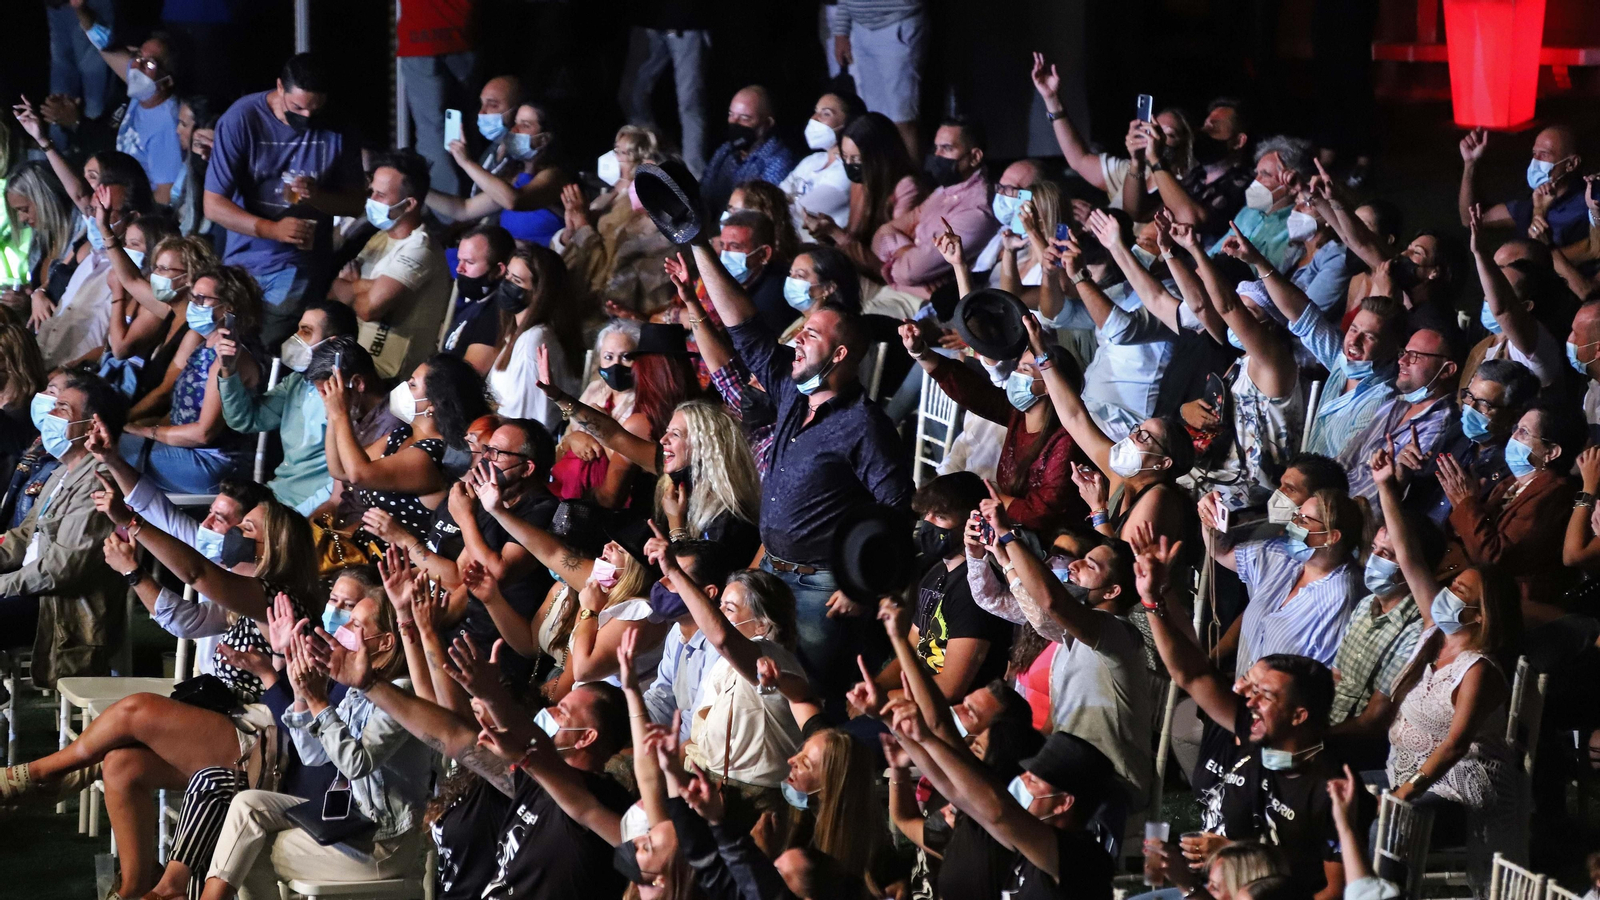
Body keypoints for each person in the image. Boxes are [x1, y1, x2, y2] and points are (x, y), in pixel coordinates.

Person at [690, 235, 911, 712]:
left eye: (812, 335)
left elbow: (896, 510)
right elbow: (744, 326)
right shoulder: (793, 393)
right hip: (772, 568)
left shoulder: (866, 427)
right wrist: (697, 245)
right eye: (800, 331)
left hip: (822, 588)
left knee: (806, 690)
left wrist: (860, 586)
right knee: (752, 682)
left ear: (840, 356)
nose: (797, 339)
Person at [1137, 531, 1345, 900]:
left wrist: (1234, 858)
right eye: (1248, 686)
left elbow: (1335, 891)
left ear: (1299, 715)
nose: (1245, 699)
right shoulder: (1254, 731)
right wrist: (1153, 603)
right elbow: (1194, 674)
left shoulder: (1329, 787)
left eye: (1262, 694)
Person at [1357, 445, 1527, 894]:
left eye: (1459, 590)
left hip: (1458, 785)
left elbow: (1454, 747)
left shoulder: (1479, 670)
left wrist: (1407, 791)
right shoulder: (1438, 628)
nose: (1447, 591)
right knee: (1338, 793)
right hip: (1405, 769)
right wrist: (1386, 490)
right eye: (1451, 583)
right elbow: (1410, 558)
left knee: (1386, 829)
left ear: (1480, 614)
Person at [195, 596, 433, 900]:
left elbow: (356, 764)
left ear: (385, 642)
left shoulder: (402, 693)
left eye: (356, 624)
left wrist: (319, 701)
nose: (343, 628)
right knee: (247, 806)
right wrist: (301, 695)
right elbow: (315, 755)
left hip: (384, 843)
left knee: (246, 850)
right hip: (349, 821)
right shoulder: (359, 689)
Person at [965, 508, 1153, 822]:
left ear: (1111, 591)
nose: (1074, 565)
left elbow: (1051, 602)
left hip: (1110, 782)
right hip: (1066, 768)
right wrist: (1000, 552)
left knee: (998, 805)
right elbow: (1039, 613)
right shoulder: (1073, 634)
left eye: (1089, 565)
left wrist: (1010, 537)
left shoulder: (1117, 633)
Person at [203, 53, 365, 347]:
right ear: (280, 87)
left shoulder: (339, 127)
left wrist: (319, 196)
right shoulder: (242, 118)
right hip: (242, 258)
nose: (306, 117)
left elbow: (355, 204)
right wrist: (271, 229)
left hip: (300, 262)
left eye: (315, 110)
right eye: (297, 107)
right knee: (220, 341)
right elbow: (213, 204)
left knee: (266, 343)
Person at [887, 698, 1117, 900]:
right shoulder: (1026, 848)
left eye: (1033, 781)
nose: (1022, 781)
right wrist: (895, 725)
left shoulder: (1080, 858)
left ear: (1064, 803)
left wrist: (927, 738)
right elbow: (954, 789)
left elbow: (998, 812)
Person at [900, 314, 1085, 534]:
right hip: (1009, 524)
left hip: (1049, 540)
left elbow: (1043, 513)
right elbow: (969, 390)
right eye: (1018, 367)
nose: (1015, 374)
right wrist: (920, 351)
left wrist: (989, 497)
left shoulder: (1064, 441)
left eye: (1025, 370)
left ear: (1050, 385)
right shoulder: (1017, 415)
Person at [1233, 225, 1405, 460]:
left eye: (1370, 337)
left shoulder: (1383, 399)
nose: (1354, 340)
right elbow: (1303, 315)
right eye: (1353, 329)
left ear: (1394, 349)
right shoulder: (1341, 360)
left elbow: (1344, 465)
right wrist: (1258, 261)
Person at [1031, 56, 1253, 238]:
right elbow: (1080, 161)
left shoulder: (1224, 181)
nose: (1155, 138)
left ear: (1187, 141)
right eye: (1153, 129)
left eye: (1168, 134)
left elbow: (1189, 218)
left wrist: (1155, 159)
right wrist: (1052, 101)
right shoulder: (1179, 176)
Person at [0, 369, 127, 688]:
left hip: (55, 607)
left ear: (91, 427)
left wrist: (2, 584)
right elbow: (23, 537)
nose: (51, 413)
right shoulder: (61, 471)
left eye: (63, 408)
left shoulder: (99, 481)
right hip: (30, 589)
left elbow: (60, 569)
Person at [1025, 314, 1193, 549]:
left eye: (1144, 437)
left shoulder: (1158, 497)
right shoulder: (1121, 479)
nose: (1132, 436)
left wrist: (1098, 509)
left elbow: (1120, 567)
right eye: (1137, 429)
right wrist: (1042, 355)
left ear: (1163, 463)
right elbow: (1075, 418)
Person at [553, 396, 763, 565]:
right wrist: (558, 396)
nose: (663, 440)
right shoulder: (676, 473)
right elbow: (615, 436)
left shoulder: (729, 515)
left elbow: (692, 581)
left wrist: (676, 526)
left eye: (676, 435)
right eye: (666, 432)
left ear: (703, 446)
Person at [116, 264, 262, 493]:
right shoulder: (204, 346)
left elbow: (203, 433)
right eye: (193, 297)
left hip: (214, 462)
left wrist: (147, 432)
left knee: (111, 450)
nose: (194, 305)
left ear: (228, 308)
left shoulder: (230, 358)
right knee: (107, 439)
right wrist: (128, 426)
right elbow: (178, 413)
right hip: (184, 450)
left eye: (202, 299)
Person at [219, 316, 377, 516]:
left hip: (302, 505)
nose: (296, 338)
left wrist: (293, 524)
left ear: (331, 342)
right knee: (224, 508)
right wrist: (229, 370)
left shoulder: (349, 398)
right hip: (274, 491)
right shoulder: (297, 382)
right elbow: (244, 419)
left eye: (306, 331)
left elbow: (337, 483)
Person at [1201, 479, 1363, 674]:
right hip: (1246, 693)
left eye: (1303, 520)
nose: (1293, 523)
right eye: (1296, 515)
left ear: (1331, 537)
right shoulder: (1283, 557)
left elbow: (1321, 679)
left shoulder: (1340, 599)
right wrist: (1210, 519)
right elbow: (1221, 552)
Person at [877, 473, 1014, 700]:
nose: (928, 523)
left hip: (951, 715)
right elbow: (911, 653)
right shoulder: (934, 573)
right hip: (916, 697)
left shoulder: (979, 590)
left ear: (971, 523)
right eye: (926, 514)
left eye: (940, 516)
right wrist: (877, 687)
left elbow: (950, 688)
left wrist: (885, 698)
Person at [1444, 401, 1580, 624]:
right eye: (1516, 427)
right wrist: (1469, 504)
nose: (1513, 436)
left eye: (1524, 432)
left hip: (1507, 608)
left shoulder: (1556, 495)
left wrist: (1465, 504)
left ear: (1551, 452)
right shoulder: (1511, 483)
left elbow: (1495, 557)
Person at [337, 354, 489, 547]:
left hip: (398, 564)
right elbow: (341, 469)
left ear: (433, 403)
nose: (403, 389)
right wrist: (332, 411)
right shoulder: (401, 435)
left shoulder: (433, 454)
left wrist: (340, 413)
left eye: (412, 385)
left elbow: (358, 473)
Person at [332, 149, 452, 381]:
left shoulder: (420, 248)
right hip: (357, 364)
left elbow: (368, 309)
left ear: (409, 205)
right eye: (372, 192)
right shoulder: (378, 237)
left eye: (381, 195)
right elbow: (334, 294)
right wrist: (367, 286)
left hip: (390, 377)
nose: (371, 201)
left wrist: (354, 284)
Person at [869, 116, 997, 319]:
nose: (936, 155)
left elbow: (908, 273)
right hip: (901, 288)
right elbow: (881, 235)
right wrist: (908, 251)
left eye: (946, 149)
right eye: (935, 148)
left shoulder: (977, 211)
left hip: (926, 307)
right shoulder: (943, 191)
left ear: (974, 157)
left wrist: (905, 259)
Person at [1402, 359, 1539, 527]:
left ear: (1515, 417)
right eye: (1469, 396)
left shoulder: (1516, 467)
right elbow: (1409, 506)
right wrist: (1399, 478)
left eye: (1483, 404)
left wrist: (1467, 504)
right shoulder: (1457, 432)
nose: (1470, 408)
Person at [1336, 324, 1463, 505]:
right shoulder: (1393, 405)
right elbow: (1346, 459)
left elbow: (1378, 504)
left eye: (1415, 356)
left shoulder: (1440, 427)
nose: (1402, 360)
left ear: (1447, 370)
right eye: (1404, 352)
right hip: (1330, 496)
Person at [558, 125, 673, 315]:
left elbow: (605, 272)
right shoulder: (608, 196)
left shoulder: (640, 209)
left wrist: (583, 226)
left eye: (623, 153)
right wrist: (571, 230)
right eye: (615, 149)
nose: (615, 157)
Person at [803, 111, 924, 283]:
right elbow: (854, 237)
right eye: (844, 157)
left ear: (879, 157)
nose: (850, 165)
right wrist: (826, 231)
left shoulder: (907, 188)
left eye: (856, 159)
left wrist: (835, 233)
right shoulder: (861, 181)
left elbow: (894, 265)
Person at [433, 100, 571, 248]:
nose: (515, 130)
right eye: (515, 123)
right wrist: (419, 187)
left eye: (525, 125)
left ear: (544, 139)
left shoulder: (555, 177)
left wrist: (466, 162)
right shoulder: (514, 176)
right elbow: (464, 209)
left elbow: (513, 201)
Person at [484, 246, 585, 433]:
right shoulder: (517, 334)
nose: (506, 285)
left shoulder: (535, 339)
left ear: (539, 292)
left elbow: (530, 414)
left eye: (516, 281)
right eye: (507, 276)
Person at [617, 0, 711, 174]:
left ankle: (694, 177)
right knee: (631, 95)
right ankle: (651, 158)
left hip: (687, 21)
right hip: (648, 19)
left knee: (690, 103)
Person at [550, 319, 639, 501]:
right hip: (569, 486)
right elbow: (565, 441)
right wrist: (573, 439)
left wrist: (600, 427)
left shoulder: (643, 401)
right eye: (609, 357)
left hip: (610, 495)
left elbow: (632, 461)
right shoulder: (594, 389)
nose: (616, 364)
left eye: (626, 357)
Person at [92, 29, 185, 202]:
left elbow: (166, 197)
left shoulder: (165, 126)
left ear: (167, 81)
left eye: (150, 64)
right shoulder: (145, 92)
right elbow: (107, 49)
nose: (137, 67)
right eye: (138, 56)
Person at [1460, 124, 1589, 248]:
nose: (1535, 160)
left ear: (1571, 164)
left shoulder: (1588, 205)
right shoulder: (1530, 202)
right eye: (1534, 153)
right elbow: (1471, 219)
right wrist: (1470, 163)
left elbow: (1589, 252)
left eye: (1544, 154)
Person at [394, 0, 475, 197]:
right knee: (466, 124)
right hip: (464, 33)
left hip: (421, 37)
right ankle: (475, 200)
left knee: (433, 130)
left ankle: (448, 214)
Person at [1208, 136, 1318, 273]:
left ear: (1293, 182)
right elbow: (1211, 256)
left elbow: (1267, 276)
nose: (1256, 181)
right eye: (1257, 174)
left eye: (1265, 175)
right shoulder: (1248, 212)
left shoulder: (1296, 227)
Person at [830, 0, 926, 156]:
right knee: (874, 120)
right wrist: (841, 30)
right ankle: (882, 178)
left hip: (896, 22)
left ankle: (909, 179)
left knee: (901, 118)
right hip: (860, 27)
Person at [700, 86, 799, 219]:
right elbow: (703, 193)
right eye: (731, 114)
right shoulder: (725, 150)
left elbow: (758, 212)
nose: (734, 122)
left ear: (767, 123)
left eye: (744, 118)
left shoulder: (778, 161)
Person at [780, 92, 863, 243]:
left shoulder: (846, 170)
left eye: (826, 114)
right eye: (816, 112)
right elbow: (775, 196)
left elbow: (798, 213)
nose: (814, 119)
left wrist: (788, 201)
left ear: (849, 123)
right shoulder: (812, 160)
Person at [441, 224, 514, 373]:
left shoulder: (496, 314)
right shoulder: (477, 302)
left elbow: (468, 377)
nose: (459, 268)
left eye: (469, 262)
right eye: (459, 260)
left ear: (499, 270)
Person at [717, 208, 794, 334]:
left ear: (763, 254)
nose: (725, 255)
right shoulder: (739, 284)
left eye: (735, 246)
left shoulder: (774, 298)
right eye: (722, 246)